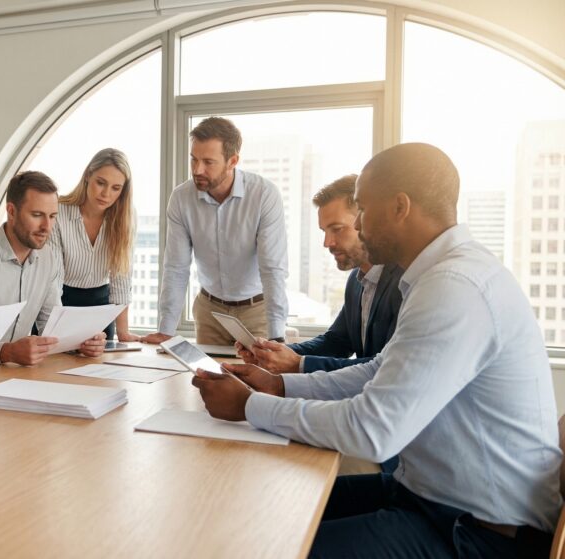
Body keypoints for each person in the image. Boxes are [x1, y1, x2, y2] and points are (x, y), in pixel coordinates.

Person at [192, 143, 561, 558]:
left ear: (400, 207)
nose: (360, 226)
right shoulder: (442, 276)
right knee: (267, 505)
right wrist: (279, 385)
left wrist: (250, 407)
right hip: (427, 497)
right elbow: (377, 371)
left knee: (271, 546)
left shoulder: (455, 287)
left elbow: (372, 431)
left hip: (477, 533)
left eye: (364, 211)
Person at [141, 117, 288, 346]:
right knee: (208, 379)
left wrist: (277, 334)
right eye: (194, 160)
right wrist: (166, 330)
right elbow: (176, 268)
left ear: (232, 161)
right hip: (210, 311)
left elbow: (272, 269)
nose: (197, 170)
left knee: (258, 380)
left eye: (208, 162)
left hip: (256, 311)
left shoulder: (263, 195)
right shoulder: (181, 198)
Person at [236, 174, 403, 375]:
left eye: (337, 229)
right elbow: (337, 342)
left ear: (364, 219)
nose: (327, 243)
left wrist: (298, 364)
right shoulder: (356, 281)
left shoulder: (403, 283)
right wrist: (276, 353)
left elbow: (384, 367)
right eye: (324, 231)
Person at [0, 171, 106, 366]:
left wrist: (82, 342)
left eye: (52, 216)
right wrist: (7, 352)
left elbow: (51, 326)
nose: (47, 226)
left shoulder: (48, 259)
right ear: (11, 212)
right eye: (37, 215)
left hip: (16, 375)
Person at [50, 148, 137, 342]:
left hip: (101, 309)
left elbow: (121, 281)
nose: (106, 194)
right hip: (59, 306)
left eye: (116, 188)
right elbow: (53, 280)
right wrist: (55, 330)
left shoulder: (126, 219)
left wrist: (123, 334)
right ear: (88, 175)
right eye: (101, 183)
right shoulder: (58, 212)